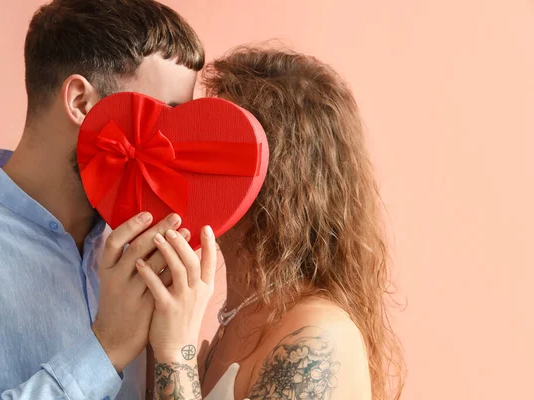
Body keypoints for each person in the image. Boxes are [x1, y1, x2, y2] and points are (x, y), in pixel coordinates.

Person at [0, 1, 204, 399]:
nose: (173, 146)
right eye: (163, 116)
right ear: (81, 102)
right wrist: (105, 349)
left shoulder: (141, 244)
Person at [137, 47, 406, 400]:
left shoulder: (317, 337)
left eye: (210, 144)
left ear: (277, 180)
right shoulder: (238, 316)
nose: (178, 160)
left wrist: (176, 353)